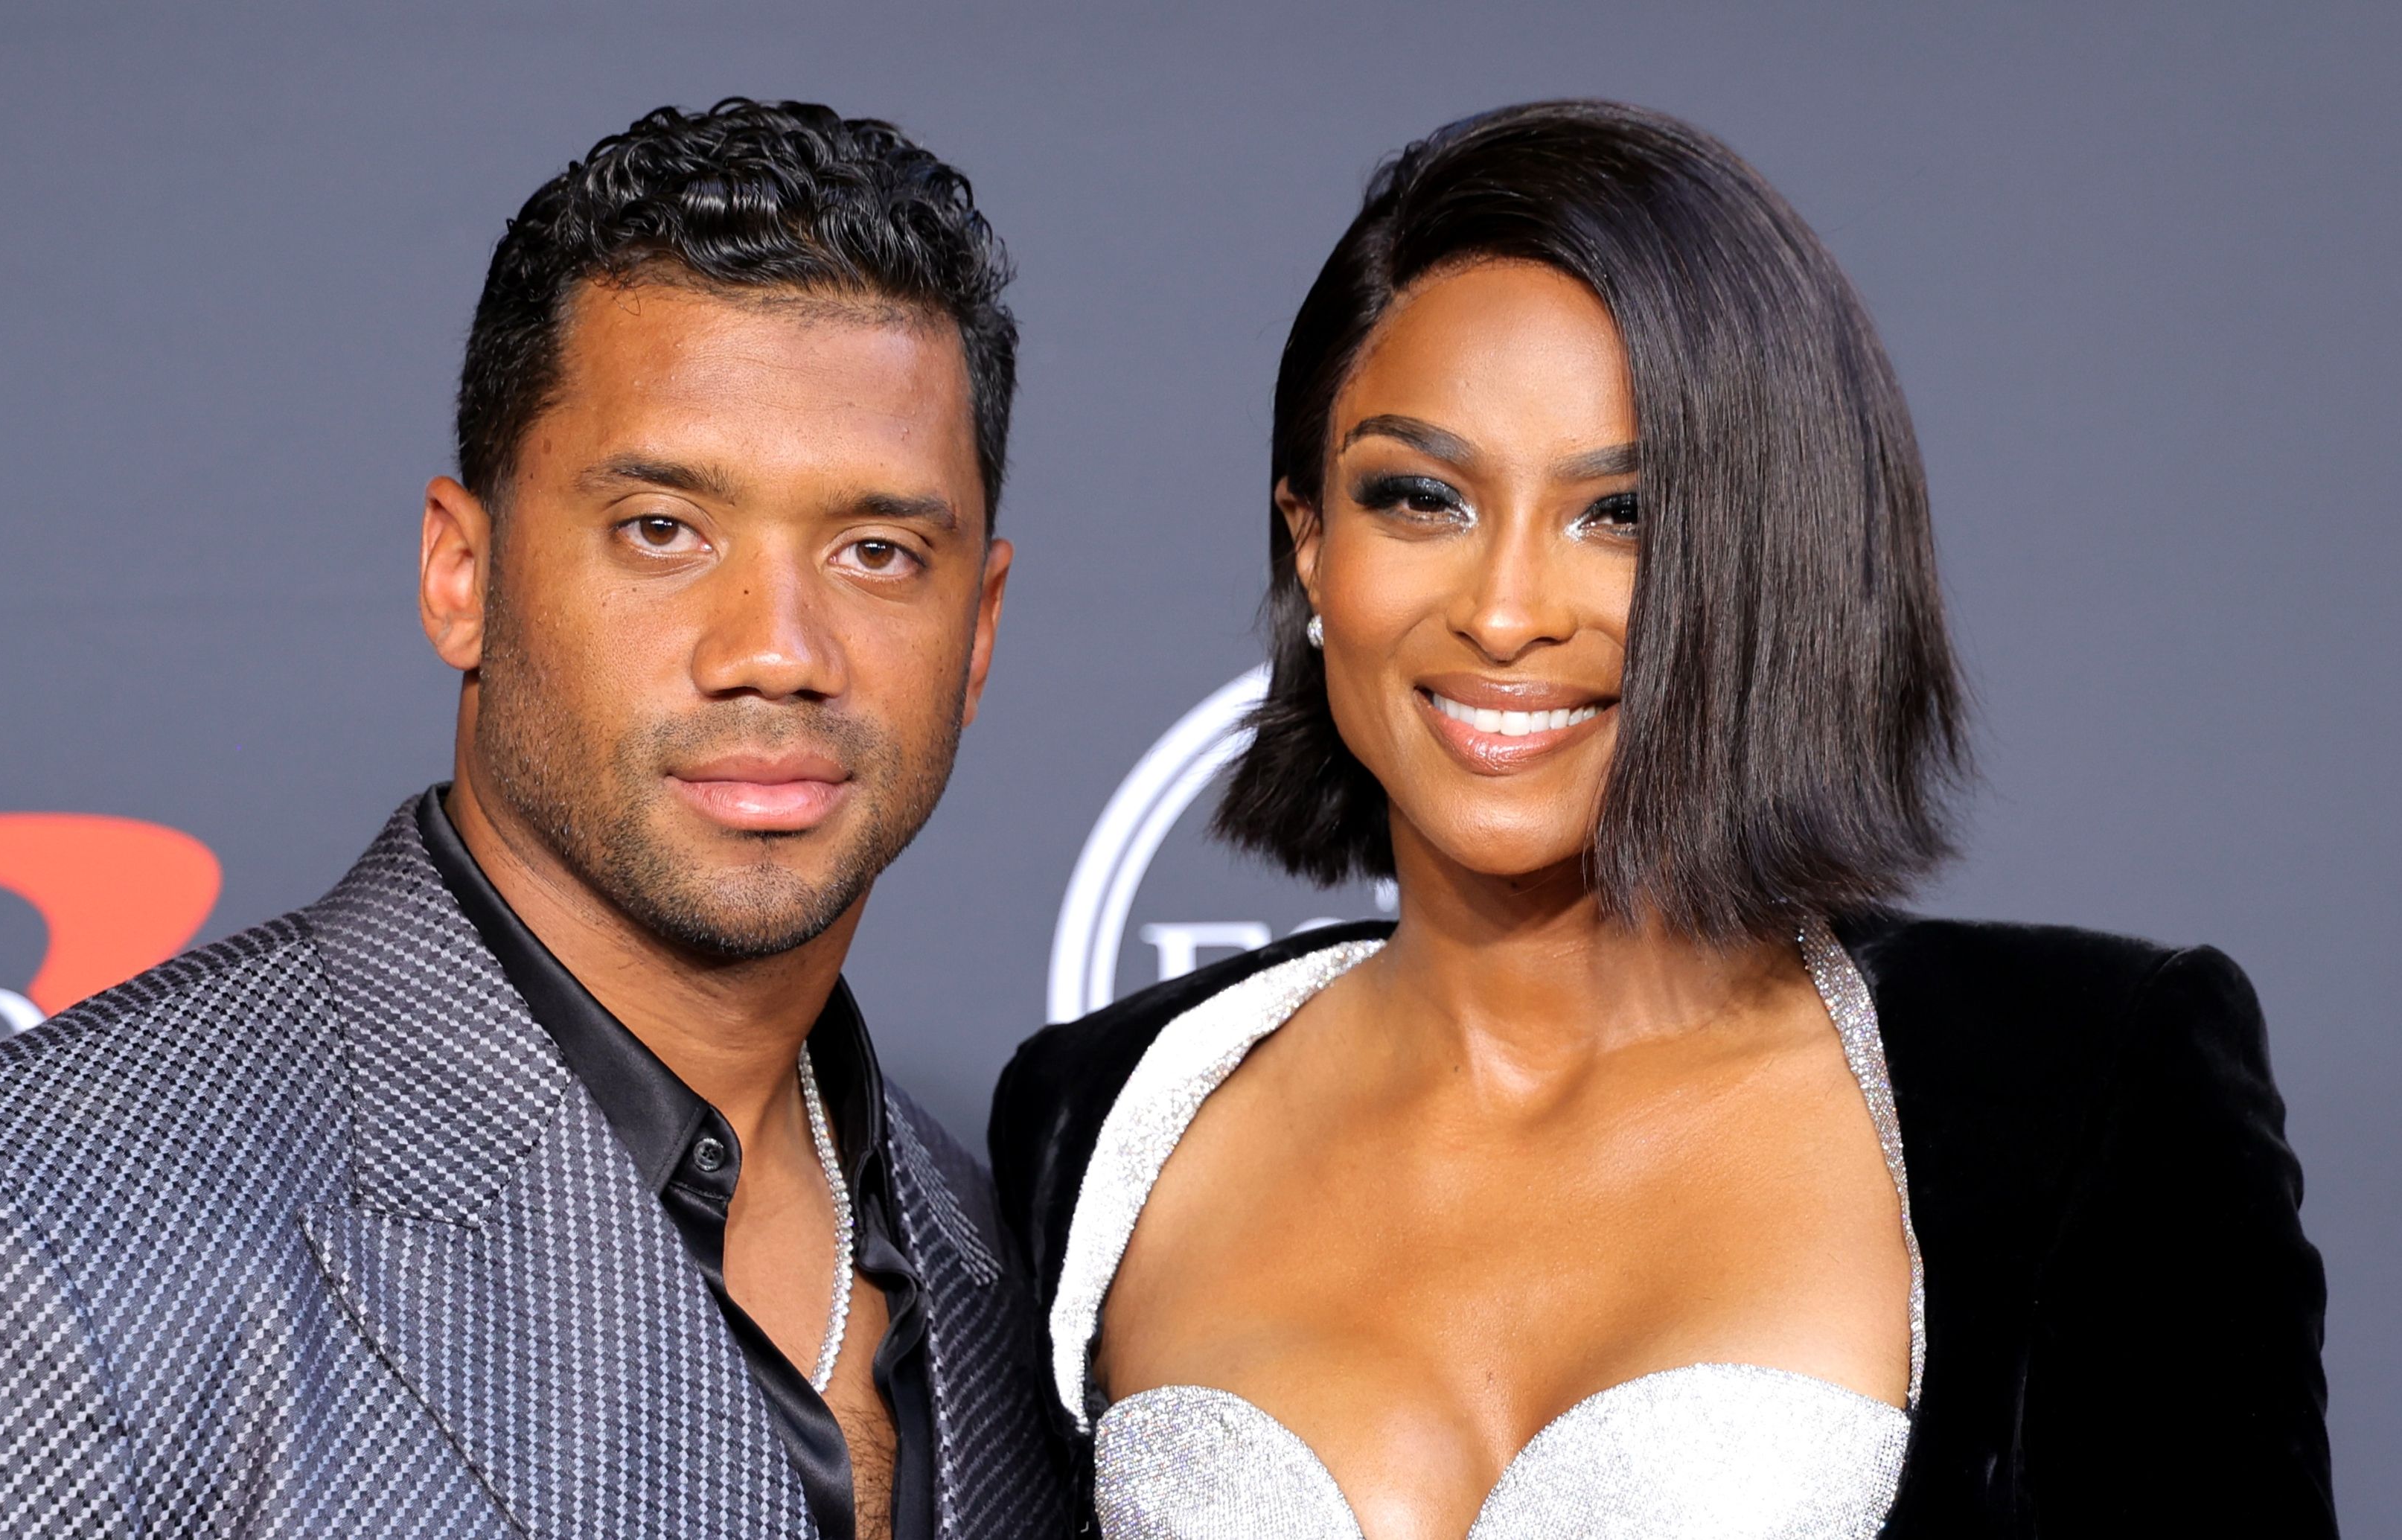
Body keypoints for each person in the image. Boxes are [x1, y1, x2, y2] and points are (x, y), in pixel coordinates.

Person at [0, 99, 1070, 1540]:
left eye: (877, 552)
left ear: (978, 629)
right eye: (662, 530)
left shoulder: (1032, 1275)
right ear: (461, 576)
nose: (775, 648)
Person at [991, 100, 2334, 1539]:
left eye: (1620, 514)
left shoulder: (2080, 1080)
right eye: (1421, 497)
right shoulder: (1098, 1117)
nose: (1506, 609)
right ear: (1311, 542)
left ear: (1766, 559)